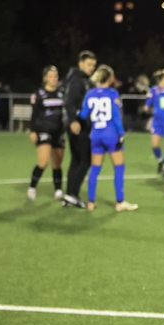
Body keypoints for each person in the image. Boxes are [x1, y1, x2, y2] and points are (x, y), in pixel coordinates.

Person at [78, 65, 138, 212]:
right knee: (119, 168)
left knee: (95, 169)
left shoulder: (90, 94)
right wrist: (121, 133)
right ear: (110, 78)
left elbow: (83, 115)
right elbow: (116, 116)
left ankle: (91, 202)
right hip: (111, 134)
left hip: (96, 135)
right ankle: (120, 202)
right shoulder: (112, 93)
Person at [63, 50, 97, 208]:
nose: (92, 68)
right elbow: (70, 102)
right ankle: (73, 193)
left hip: (79, 124)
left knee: (76, 160)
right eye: (89, 64)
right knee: (86, 160)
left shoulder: (83, 80)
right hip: (79, 125)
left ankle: (69, 195)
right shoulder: (77, 80)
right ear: (80, 64)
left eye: (93, 65)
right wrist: (73, 121)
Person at [27, 66, 67, 202]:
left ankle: (58, 190)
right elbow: (34, 114)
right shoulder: (39, 94)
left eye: (55, 76)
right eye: (50, 76)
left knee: (57, 163)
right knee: (43, 162)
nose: (54, 79)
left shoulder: (62, 93)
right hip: (44, 130)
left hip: (59, 131)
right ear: (45, 78)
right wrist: (32, 130)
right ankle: (32, 188)